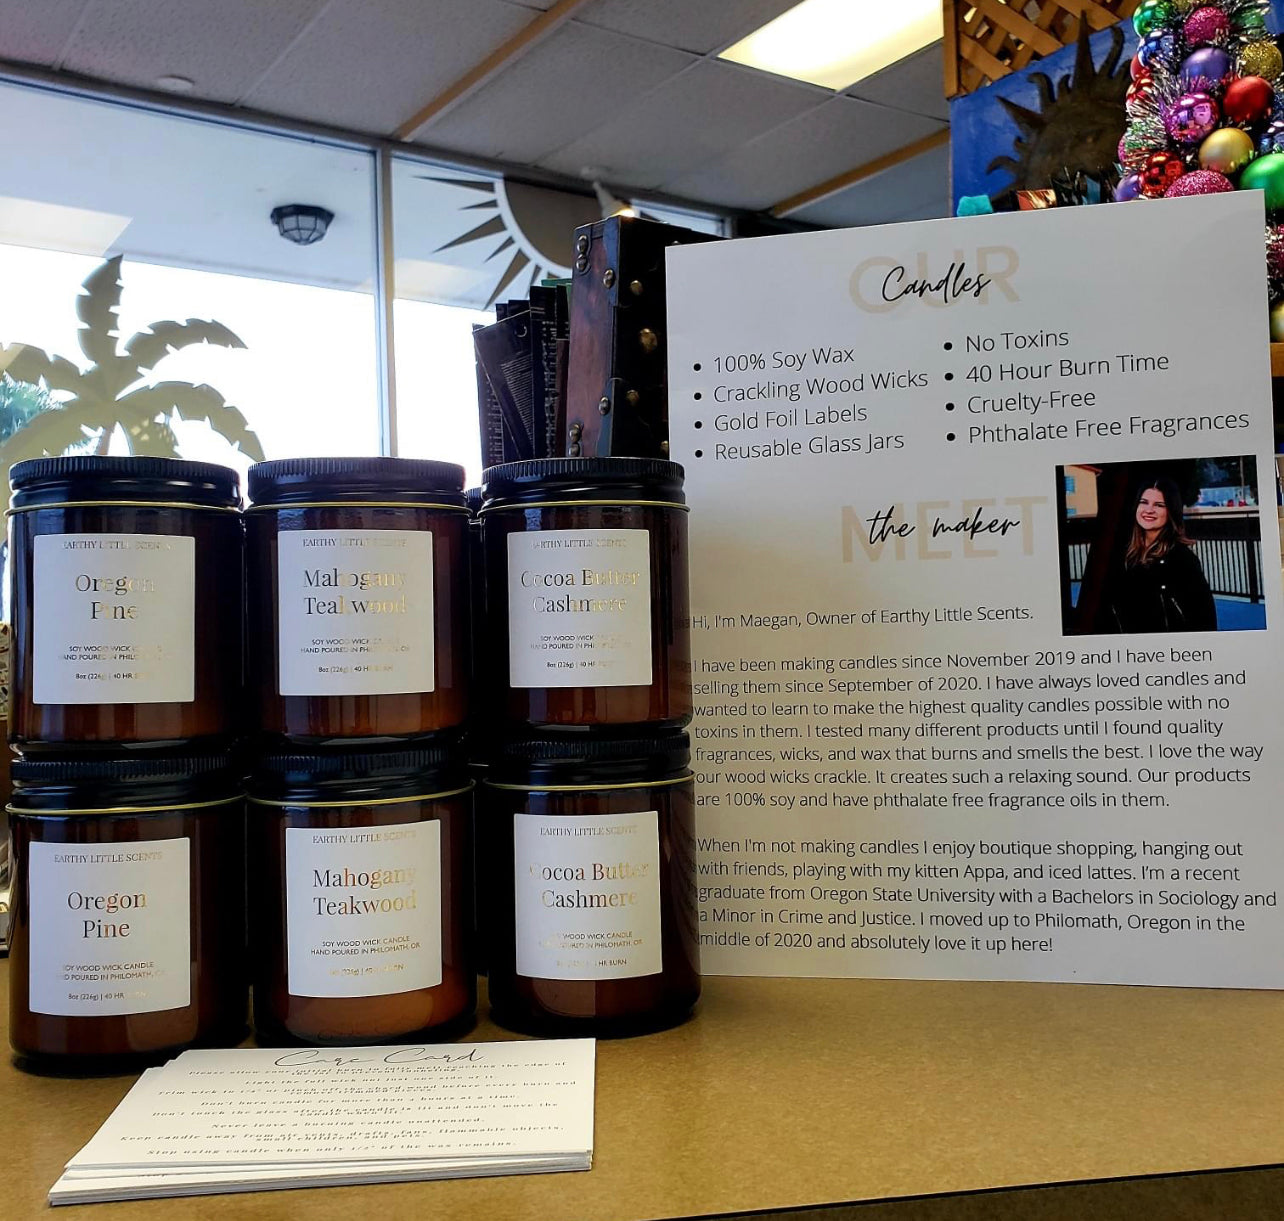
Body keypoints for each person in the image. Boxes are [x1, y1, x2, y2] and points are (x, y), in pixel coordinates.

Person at [1103, 477, 1216, 633]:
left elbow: (1204, 619)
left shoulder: (1182, 560)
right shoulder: (1122, 555)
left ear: (1171, 511)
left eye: (1159, 505)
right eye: (1144, 502)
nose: (1149, 510)